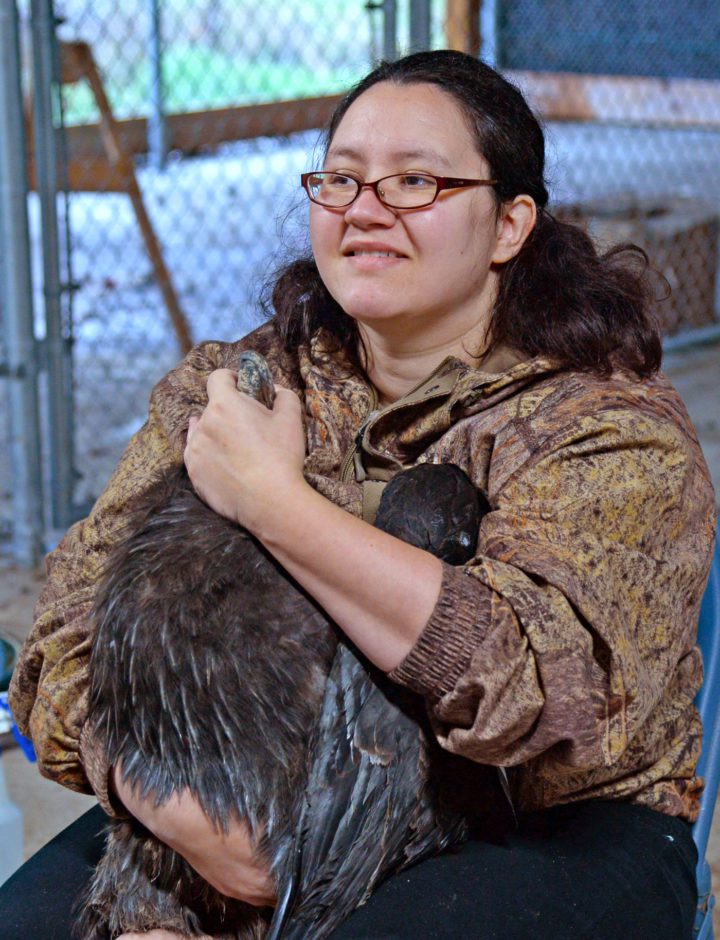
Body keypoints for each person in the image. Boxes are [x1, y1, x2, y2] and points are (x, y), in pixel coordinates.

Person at [3, 49, 717, 939]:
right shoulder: (233, 390)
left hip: (539, 825)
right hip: (229, 792)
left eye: (416, 181)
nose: (367, 208)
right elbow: (57, 647)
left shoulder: (608, 427)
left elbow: (540, 700)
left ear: (509, 225)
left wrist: (274, 502)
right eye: (341, 180)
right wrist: (192, 820)